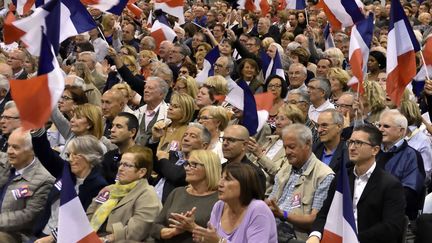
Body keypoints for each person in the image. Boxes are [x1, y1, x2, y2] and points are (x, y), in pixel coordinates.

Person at [307, 124, 406, 243]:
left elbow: (391, 227)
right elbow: (324, 213)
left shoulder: (390, 185)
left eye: (358, 143)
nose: (352, 148)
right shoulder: (341, 178)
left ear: (375, 150)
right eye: (351, 142)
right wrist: (315, 235)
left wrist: (352, 239)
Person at [30, 130, 107, 242]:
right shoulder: (66, 171)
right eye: (68, 155)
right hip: (41, 232)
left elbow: (83, 222)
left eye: (75, 155)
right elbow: (45, 154)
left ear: (89, 157)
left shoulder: (98, 186)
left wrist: (52, 238)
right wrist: (37, 131)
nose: (70, 159)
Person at [267, 124, 334, 241]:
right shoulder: (284, 170)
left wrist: (283, 214)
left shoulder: (324, 176)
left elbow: (315, 220)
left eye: (292, 147)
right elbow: (271, 203)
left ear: (308, 144)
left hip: (295, 236)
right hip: (271, 227)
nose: (287, 152)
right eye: (285, 147)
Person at [87, 146, 162, 242]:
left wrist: (105, 239)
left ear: (141, 172)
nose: (120, 169)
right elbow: (89, 214)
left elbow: (137, 231)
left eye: (127, 165)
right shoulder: (110, 189)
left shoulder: (147, 194)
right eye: (120, 164)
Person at [192, 163, 277, 243]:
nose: (220, 184)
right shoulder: (219, 206)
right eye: (221, 178)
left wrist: (219, 241)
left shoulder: (258, 209)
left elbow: (216, 240)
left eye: (228, 179)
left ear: (245, 184)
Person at [150, 150, 221, 242]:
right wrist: (173, 232)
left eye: (194, 164)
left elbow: (220, 237)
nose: (187, 168)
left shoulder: (220, 199)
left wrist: (192, 227)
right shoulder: (177, 192)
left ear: (209, 168)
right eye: (187, 164)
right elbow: (155, 227)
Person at [0, 128, 55, 242]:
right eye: (9, 146)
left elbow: (28, 216)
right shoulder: (5, 162)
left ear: (32, 150)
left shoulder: (44, 179)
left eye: (15, 147)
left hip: (16, 234)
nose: (9, 151)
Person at [376, 109, 425, 220]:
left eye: (386, 126)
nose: (380, 129)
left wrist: (378, 201)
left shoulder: (412, 156)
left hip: (394, 217)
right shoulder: (373, 151)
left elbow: (409, 193)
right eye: (379, 125)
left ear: (401, 131)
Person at [247, 104, 305, 194]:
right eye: (277, 118)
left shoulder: (296, 148)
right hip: (248, 186)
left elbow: (281, 177)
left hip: (265, 194)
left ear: (294, 123)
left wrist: (260, 155)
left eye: (282, 119)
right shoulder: (271, 140)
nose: (277, 122)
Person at [152, 123, 211, 203]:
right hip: (149, 199)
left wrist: (162, 158)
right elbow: (149, 164)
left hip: (168, 207)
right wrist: (154, 139)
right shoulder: (173, 155)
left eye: (192, 136)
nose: (186, 138)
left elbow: (177, 175)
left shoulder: (201, 164)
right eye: (185, 135)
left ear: (204, 146)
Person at [221, 125, 267, 192]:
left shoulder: (254, 174)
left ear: (244, 145)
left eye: (231, 140)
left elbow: (256, 201)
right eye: (223, 139)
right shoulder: (219, 168)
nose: (224, 143)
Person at [101, 112, 139, 184]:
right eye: (112, 126)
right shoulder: (108, 156)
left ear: (132, 132)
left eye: (118, 126)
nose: (112, 130)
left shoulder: (140, 158)